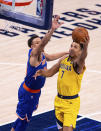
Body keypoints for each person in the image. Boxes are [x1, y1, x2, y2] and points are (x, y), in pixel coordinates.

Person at [11, 15, 69, 131]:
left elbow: (51, 57)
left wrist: (67, 53)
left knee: (23, 119)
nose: (40, 44)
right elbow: (43, 44)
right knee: (23, 121)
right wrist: (52, 29)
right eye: (37, 43)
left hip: (34, 93)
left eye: (39, 41)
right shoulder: (34, 56)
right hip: (28, 93)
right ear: (32, 47)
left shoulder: (42, 55)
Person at [34, 27, 90, 131]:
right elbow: (50, 72)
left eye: (76, 47)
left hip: (71, 103)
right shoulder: (63, 59)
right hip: (59, 101)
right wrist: (42, 72)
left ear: (80, 51)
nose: (72, 48)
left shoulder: (78, 64)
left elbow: (83, 58)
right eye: (71, 46)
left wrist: (85, 47)